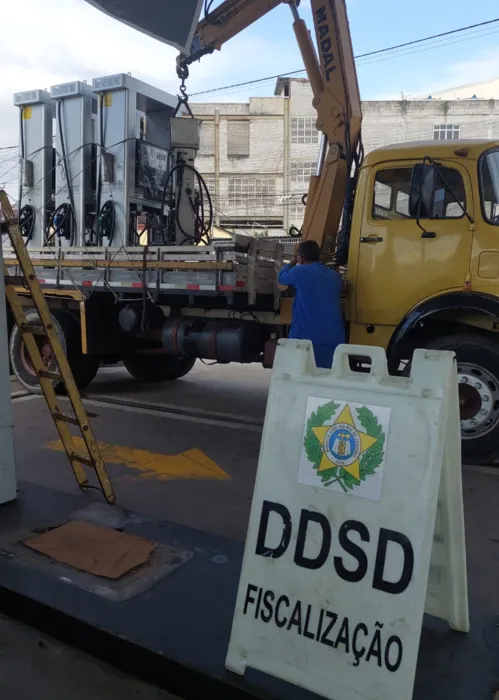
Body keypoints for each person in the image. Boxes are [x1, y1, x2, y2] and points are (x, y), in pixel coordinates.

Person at [278, 240, 345, 369]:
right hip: (333, 338)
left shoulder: (300, 271)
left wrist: (293, 261)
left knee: (302, 373)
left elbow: (282, 277)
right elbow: (342, 286)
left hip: (306, 337)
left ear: (301, 258)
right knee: (325, 376)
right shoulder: (335, 276)